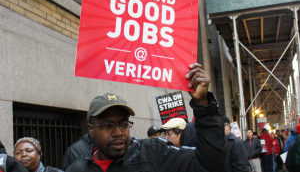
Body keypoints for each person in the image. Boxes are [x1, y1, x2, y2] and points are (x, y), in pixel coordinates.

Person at [65, 63, 227, 172]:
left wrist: (203, 106)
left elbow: (210, 166)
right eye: (108, 125)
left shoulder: (153, 153)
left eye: (123, 124)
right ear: (91, 130)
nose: (118, 132)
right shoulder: (77, 169)